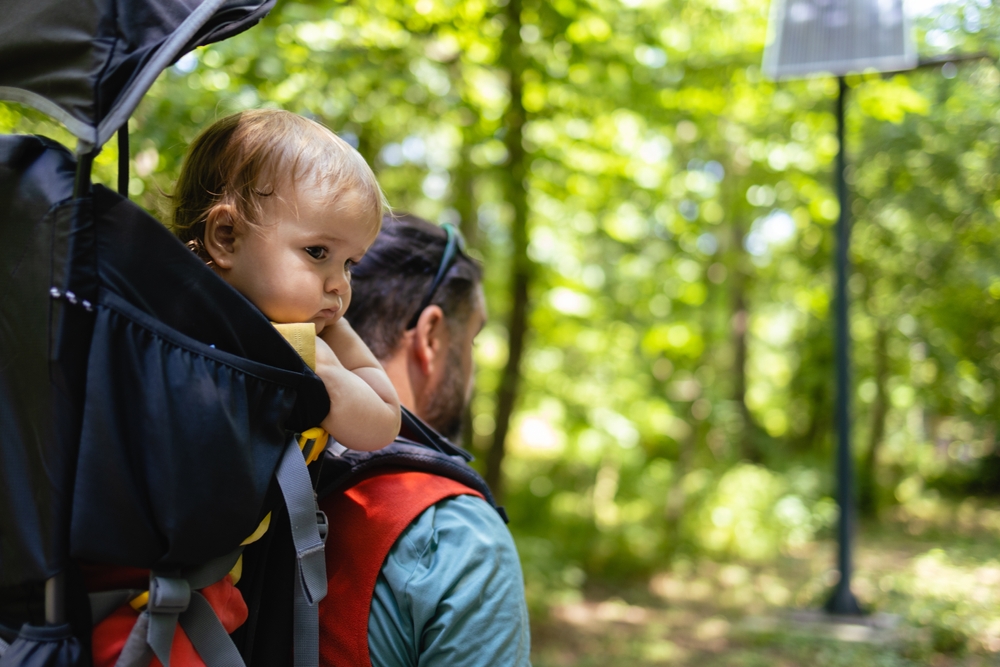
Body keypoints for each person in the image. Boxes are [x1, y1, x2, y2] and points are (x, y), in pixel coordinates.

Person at [319, 214, 532, 666]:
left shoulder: (269, 456)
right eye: (471, 340)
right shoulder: (459, 536)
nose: (473, 371)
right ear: (431, 336)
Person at [172, 108, 401, 452]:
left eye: (350, 263)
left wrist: (322, 366)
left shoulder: (323, 333)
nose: (340, 283)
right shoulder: (169, 313)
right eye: (318, 252)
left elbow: (384, 421)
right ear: (227, 237)